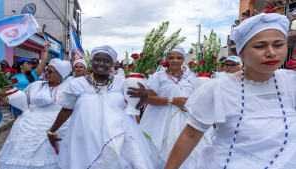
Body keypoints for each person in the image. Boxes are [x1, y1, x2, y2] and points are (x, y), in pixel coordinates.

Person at [165, 13, 296, 169]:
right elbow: (191, 135)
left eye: (278, 45)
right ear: (241, 53)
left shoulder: (291, 82)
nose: (271, 52)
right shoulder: (218, 88)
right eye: (259, 46)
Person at [47, 45, 153, 169]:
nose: (101, 63)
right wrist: (52, 130)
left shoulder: (122, 82)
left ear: (112, 63)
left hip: (116, 138)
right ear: (92, 62)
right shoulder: (77, 84)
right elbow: (66, 110)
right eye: (97, 60)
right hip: (86, 138)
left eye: (107, 61)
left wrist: (143, 98)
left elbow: (133, 108)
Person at [0, 58, 72, 169]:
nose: (46, 72)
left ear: (61, 75)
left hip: (54, 127)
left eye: (50, 71)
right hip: (27, 126)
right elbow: (20, 102)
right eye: (46, 70)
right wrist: (5, 97)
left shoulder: (67, 89)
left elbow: (69, 109)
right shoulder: (35, 85)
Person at [139, 45, 197, 169]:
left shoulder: (191, 77)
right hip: (161, 123)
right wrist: (172, 101)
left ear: (183, 60)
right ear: (166, 60)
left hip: (186, 121)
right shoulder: (158, 77)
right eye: (171, 58)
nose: (175, 61)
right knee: (159, 156)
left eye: (179, 58)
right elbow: (147, 98)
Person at [10, 41, 51, 118]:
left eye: (31, 63)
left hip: (30, 103)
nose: (31, 65)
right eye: (28, 63)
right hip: (16, 103)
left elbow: (43, 62)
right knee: (18, 122)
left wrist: (46, 49)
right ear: (21, 65)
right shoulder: (12, 76)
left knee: (29, 122)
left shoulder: (33, 74)